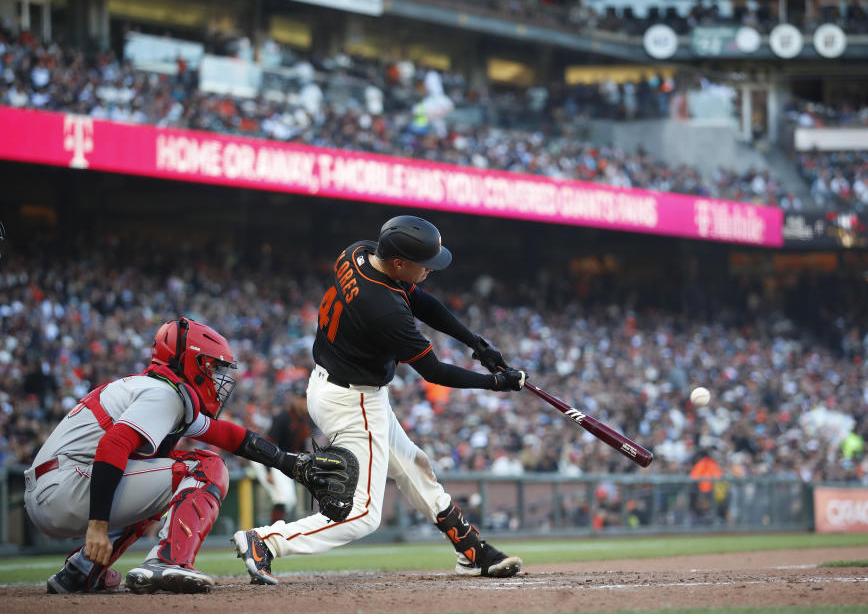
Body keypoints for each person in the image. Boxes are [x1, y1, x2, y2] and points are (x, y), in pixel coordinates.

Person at [233, 214, 528, 584]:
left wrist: (476, 343)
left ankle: (471, 550)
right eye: (424, 265)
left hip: (337, 386)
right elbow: (435, 372)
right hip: (352, 400)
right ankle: (266, 541)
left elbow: (422, 301)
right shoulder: (384, 309)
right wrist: (497, 383)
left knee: (411, 465)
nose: (430, 271)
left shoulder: (359, 252)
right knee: (363, 514)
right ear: (399, 263)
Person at [24, 318, 315, 594]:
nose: (217, 378)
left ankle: (81, 570)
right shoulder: (164, 394)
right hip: (66, 487)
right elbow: (112, 446)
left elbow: (228, 435)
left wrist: (289, 462)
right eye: (213, 368)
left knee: (164, 474)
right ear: (192, 361)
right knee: (205, 467)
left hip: (56, 486)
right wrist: (97, 525)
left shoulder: (157, 390)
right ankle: (168, 561)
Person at [250, 393, 313, 522]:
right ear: (296, 400)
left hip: (280, 461)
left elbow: (301, 449)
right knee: (283, 499)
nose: (305, 403)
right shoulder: (284, 417)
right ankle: (274, 534)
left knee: (286, 500)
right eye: (303, 399)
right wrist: (268, 470)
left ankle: (273, 533)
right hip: (264, 459)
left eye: (307, 399)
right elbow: (269, 444)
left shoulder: (305, 421)